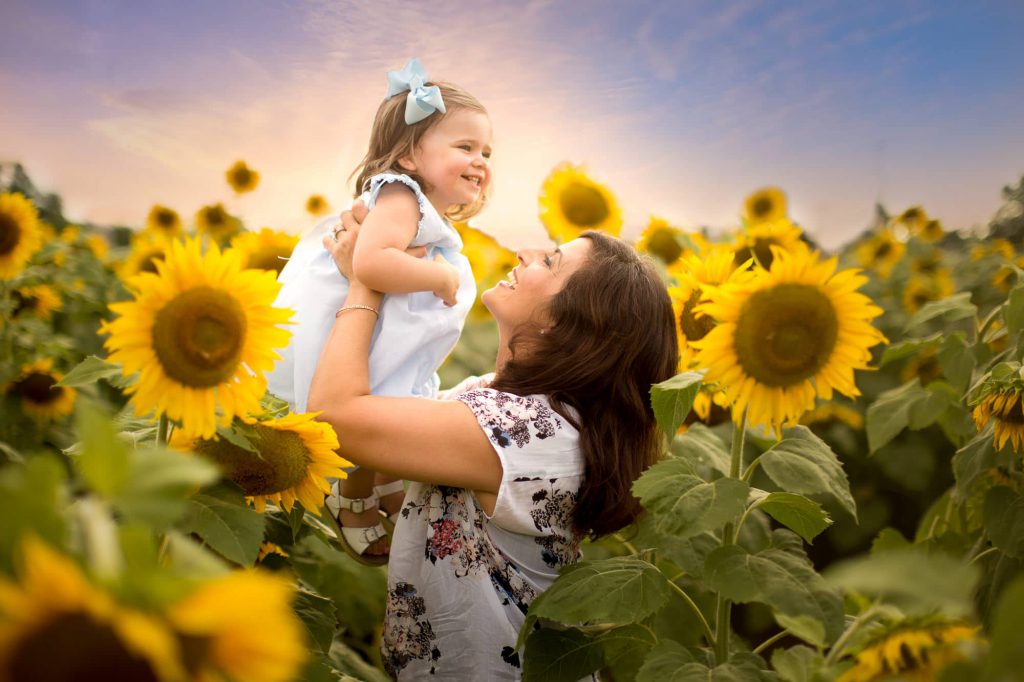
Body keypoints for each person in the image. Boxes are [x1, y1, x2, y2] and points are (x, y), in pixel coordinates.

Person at [308, 205, 679, 679]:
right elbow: (378, 445)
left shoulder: (529, 433)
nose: (525, 252)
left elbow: (334, 420)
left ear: (572, 322)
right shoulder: (498, 399)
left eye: (550, 261)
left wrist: (366, 281)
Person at [267, 58, 493, 564]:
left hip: (380, 324)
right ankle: (349, 493)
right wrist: (440, 278)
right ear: (409, 156)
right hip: (352, 324)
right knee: (369, 405)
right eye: (465, 147)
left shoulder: (416, 205)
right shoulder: (401, 196)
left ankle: (380, 479)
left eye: (486, 151)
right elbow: (370, 263)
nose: (480, 161)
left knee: (386, 398)